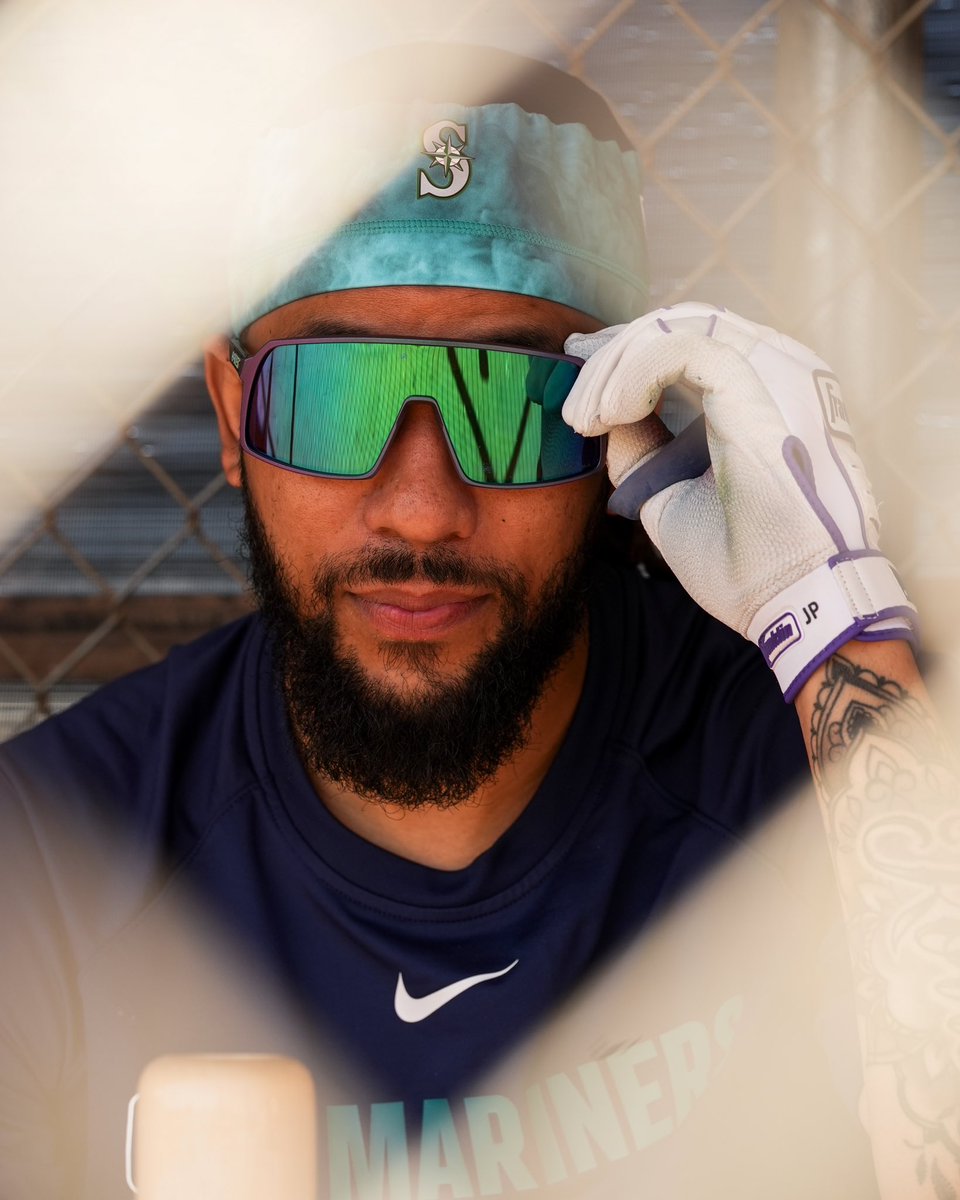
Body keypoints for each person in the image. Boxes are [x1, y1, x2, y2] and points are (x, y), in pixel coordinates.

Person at [1, 42, 954, 1200]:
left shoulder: (812, 774)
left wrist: (838, 625)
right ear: (232, 412)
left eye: (514, 404)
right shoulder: (49, 865)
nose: (422, 507)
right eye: (334, 397)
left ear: (621, 417)